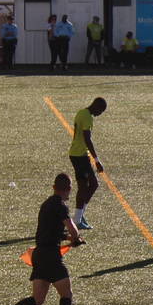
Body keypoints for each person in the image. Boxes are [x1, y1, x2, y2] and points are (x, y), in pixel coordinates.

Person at [0, 173, 89, 305]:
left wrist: (69, 239)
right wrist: (75, 238)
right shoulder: (61, 206)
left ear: (54, 187)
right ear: (68, 189)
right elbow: (73, 230)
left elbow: (51, 231)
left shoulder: (46, 204)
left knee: (38, 299)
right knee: (66, 294)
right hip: (51, 257)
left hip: (39, 255)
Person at [69, 96, 107, 230]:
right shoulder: (88, 117)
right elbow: (87, 139)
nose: (99, 114)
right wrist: (96, 160)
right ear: (96, 106)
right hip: (80, 155)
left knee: (85, 186)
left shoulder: (81, 112)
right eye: (100, 111)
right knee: (91, 185)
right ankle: (77, 219)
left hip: (76, 154)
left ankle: (79, 216)